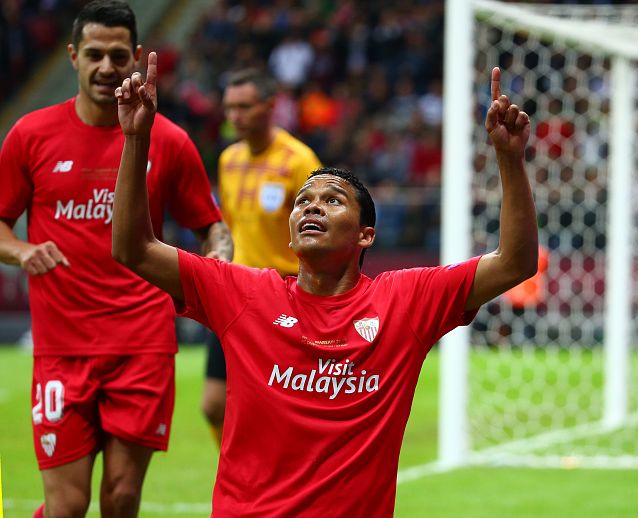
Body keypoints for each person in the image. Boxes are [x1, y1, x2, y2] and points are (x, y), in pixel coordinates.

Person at [112, 53, 536, 516]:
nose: (311, 207)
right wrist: (135, 139)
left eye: (332, 200)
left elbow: (514, 263)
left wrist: (509, 160)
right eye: (302, 201)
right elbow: (134, 249)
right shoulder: (244, 293)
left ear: (365, 235)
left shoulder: (405, 300)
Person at [0, 2, 232, 516]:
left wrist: (218, 263)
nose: (107, 67)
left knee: (122, 498)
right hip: (61, 346)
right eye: (94, 55)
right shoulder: (30, 135)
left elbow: (211, 226)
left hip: (143, 342)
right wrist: (21, 250)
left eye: (118, 56)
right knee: (66, 506)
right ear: (73, 56)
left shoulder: (168, 140)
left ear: (136, 56)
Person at [202, 68, 322, 446]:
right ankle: (238, 471)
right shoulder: (228, 159)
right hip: (234, 291)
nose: (234, 116)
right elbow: (229, 224)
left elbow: (322, 232)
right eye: (229, 108)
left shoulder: (299, 160)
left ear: (270, 106)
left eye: (244, 107)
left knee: (277, 404)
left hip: (281, 295)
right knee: (213, 404)